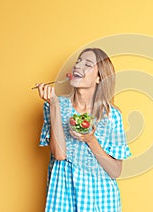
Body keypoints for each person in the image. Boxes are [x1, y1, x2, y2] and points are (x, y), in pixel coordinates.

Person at [36, 48, 131, 212]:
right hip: (62, 196)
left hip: (101, 199)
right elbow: (60, 154)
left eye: (87, 64)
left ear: (99, 77)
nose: (78, 66)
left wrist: (90, 140)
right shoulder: (54, 105)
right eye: (78, 62)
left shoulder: (111, 116)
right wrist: (54, 105)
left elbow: (115, 171)